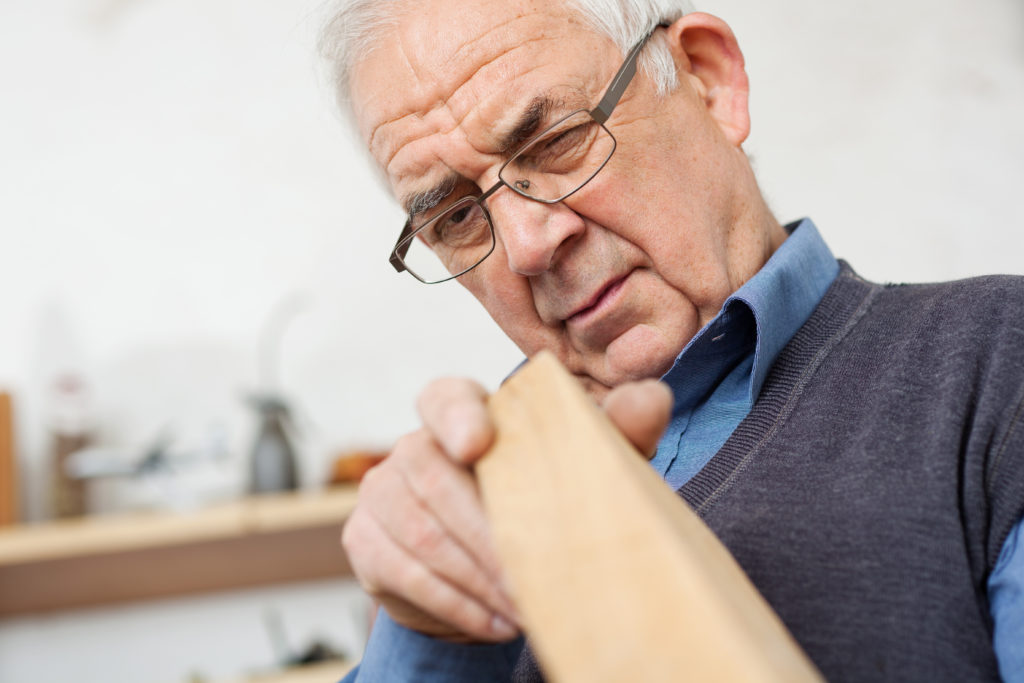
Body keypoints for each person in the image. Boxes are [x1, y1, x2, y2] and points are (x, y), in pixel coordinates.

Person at [319, 0, 1024, 680]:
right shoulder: (463, 508)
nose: (529, 244)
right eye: (458, 216)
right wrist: (433, 638)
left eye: (557, 142)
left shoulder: (996, 361)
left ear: (709, 82)